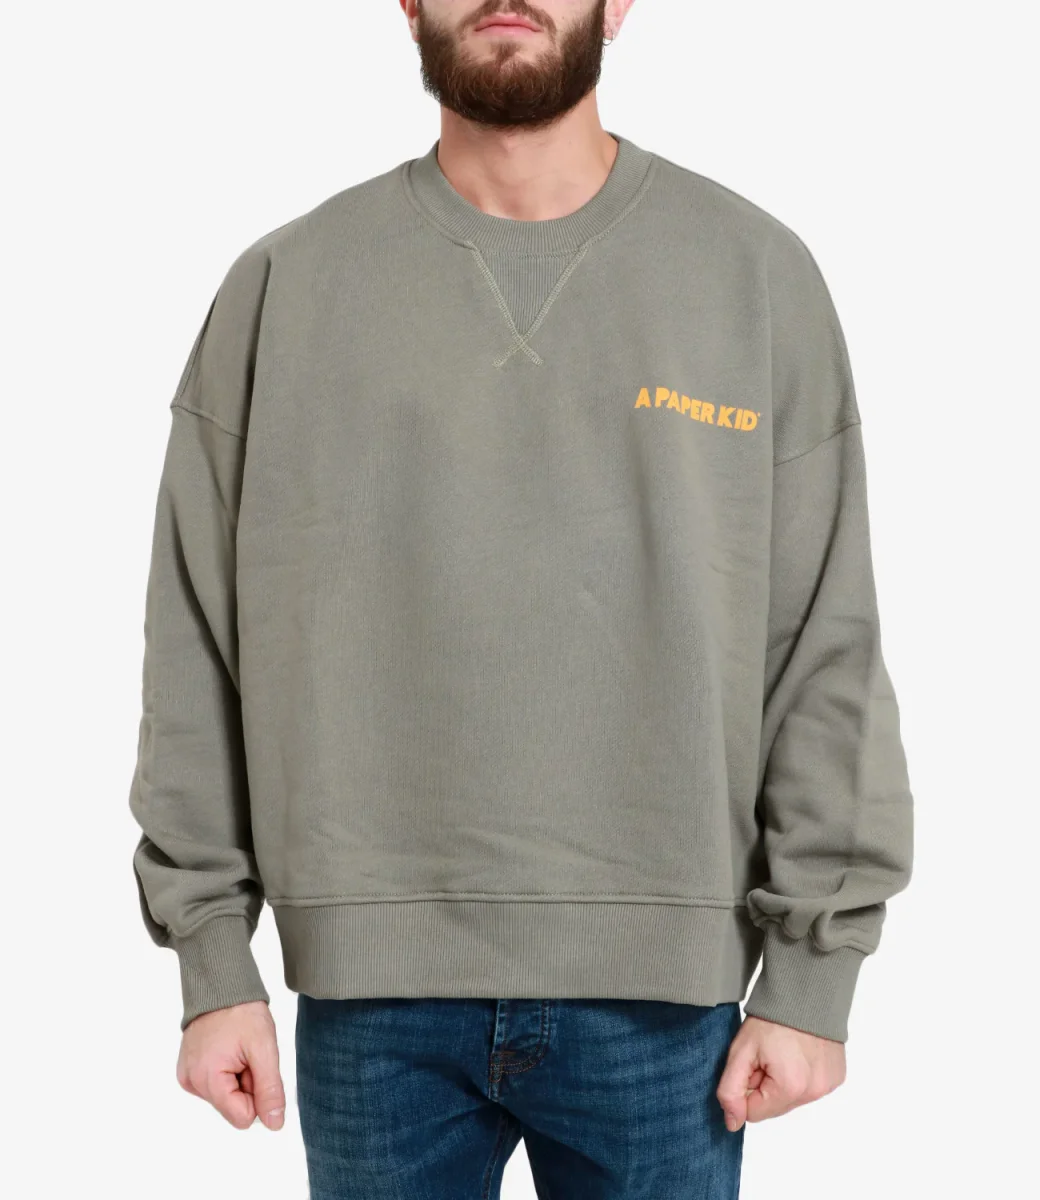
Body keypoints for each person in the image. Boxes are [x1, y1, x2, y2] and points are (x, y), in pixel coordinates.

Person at [127, 1, 914, 1196]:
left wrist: (813, 974)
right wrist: (210, 960)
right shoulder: (285, 285)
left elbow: (822, 643)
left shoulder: (751, 275)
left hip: (665, 1014)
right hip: (368, 1003)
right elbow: (194, 640)